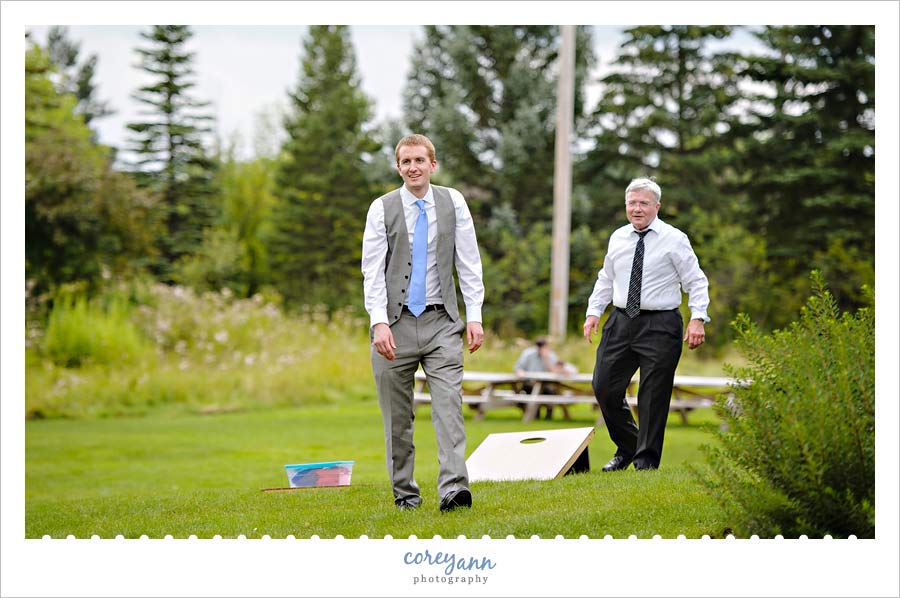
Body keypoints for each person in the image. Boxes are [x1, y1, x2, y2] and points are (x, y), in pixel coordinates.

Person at [361, 133, 485, 512]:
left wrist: (475, 316)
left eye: (419, 160)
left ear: (433, 164)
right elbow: (372, 271)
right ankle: (405, 495)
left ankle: (454, 490)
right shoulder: (381, 208)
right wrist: (379, 323)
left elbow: (468, 261)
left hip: (441, 321)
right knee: (397, 420)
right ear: (398, 167)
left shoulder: (454, 202)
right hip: (394, 324)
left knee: (449, 408)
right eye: (406, 162)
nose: (413, 168)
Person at [583, 177, 709, 471]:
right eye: (632, 203)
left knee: (653, 396)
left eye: (643, 203)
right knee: (604, 386)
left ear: (657, 206)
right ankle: (629, 445)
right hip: (620, 321)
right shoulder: (618, 237)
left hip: (661, 325)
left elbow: (696, 281)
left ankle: (645, 463)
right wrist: (593, 311)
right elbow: (606, 277)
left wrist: (698, 318)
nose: (637, 209)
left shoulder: (674, 239)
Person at [514, 336, 569, 419]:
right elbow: (518, 368)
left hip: (547, 384)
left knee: (550, 392)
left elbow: (554, 370)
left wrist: (546, 358)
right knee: (527, 392)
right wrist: (521, 373)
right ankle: (535, 414)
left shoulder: (550, 355)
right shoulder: (528, 354)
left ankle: (548, 415)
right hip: (530, 384)